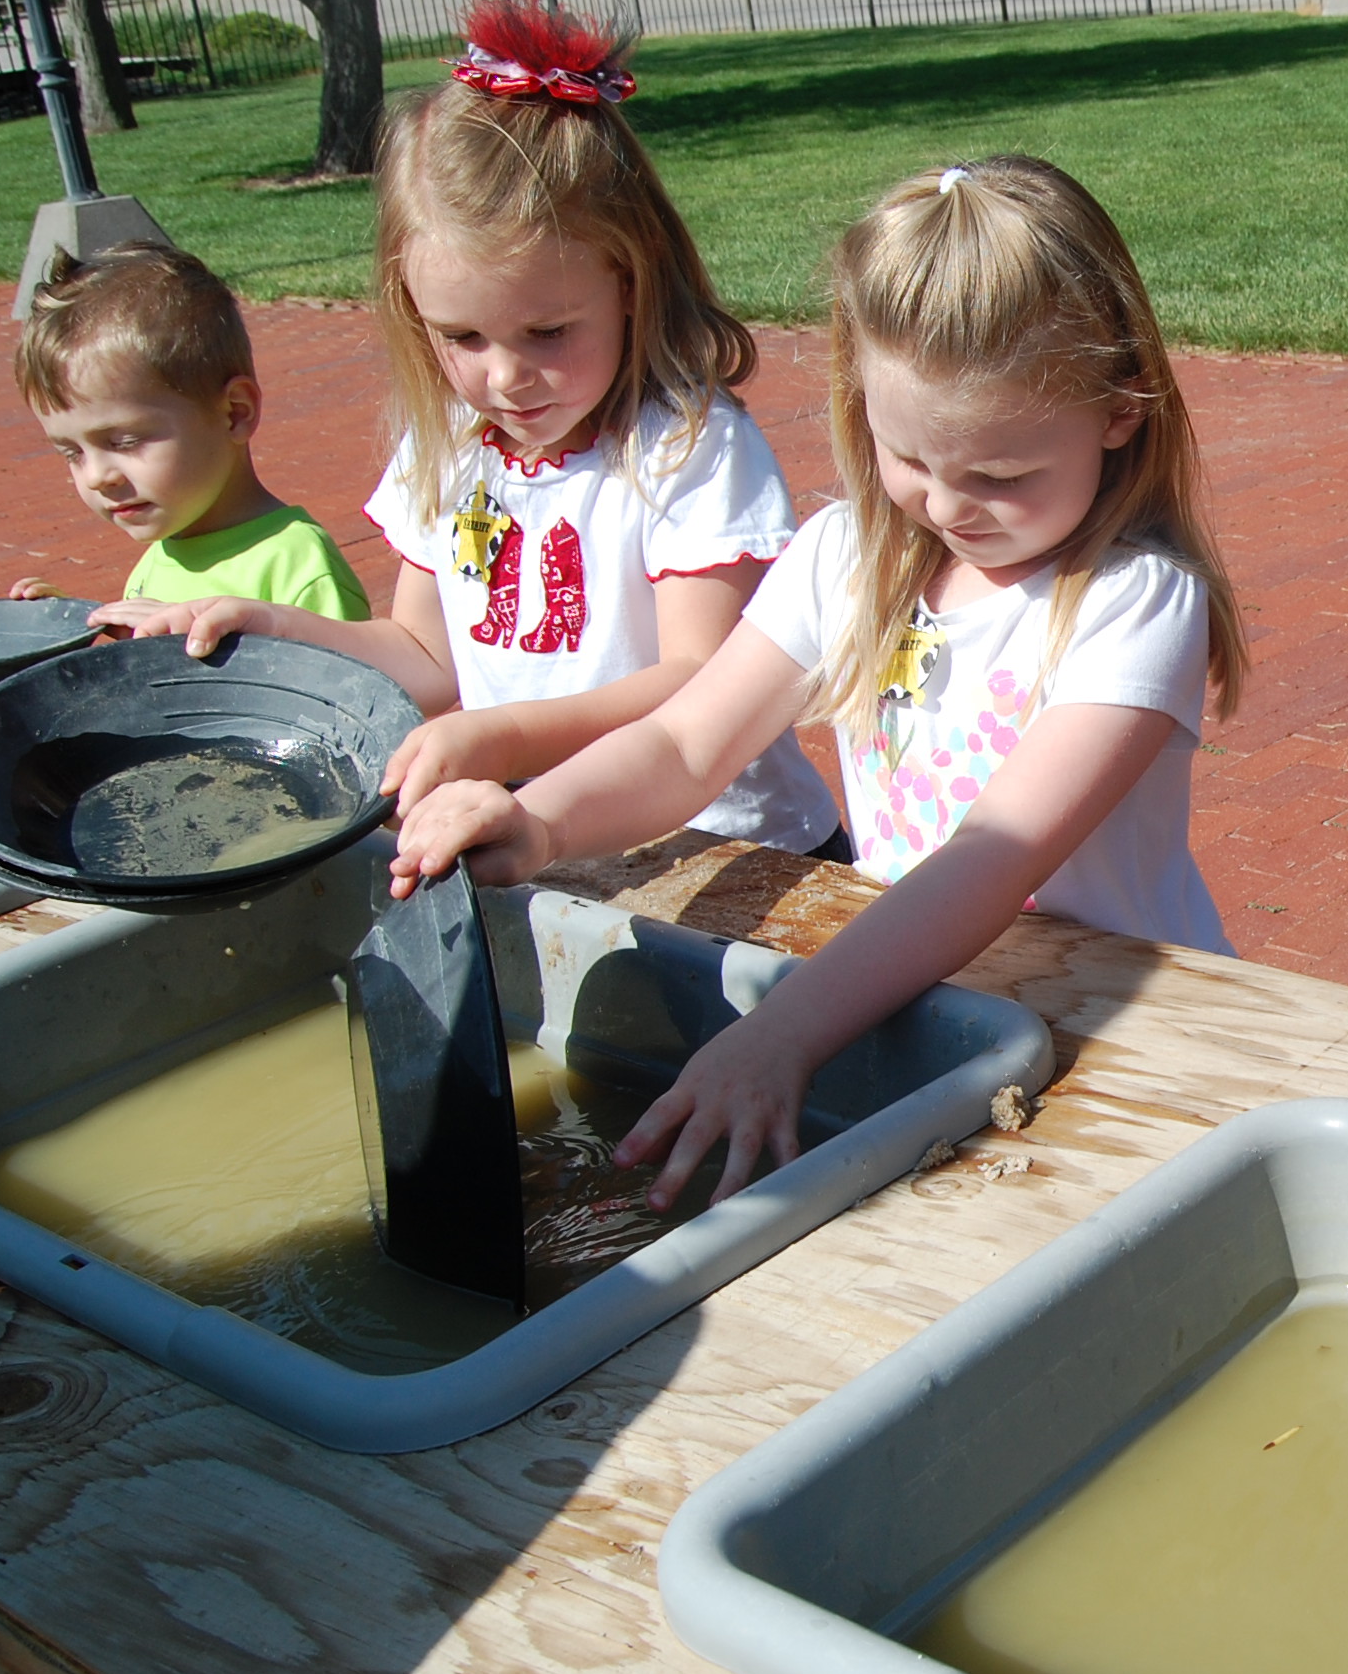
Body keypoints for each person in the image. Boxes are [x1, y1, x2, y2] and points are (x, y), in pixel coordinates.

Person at [396, 155, 1250, 1203]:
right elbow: (685, 742)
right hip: (920, 992)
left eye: (1000, 474)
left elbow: (989, 861)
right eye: (909, 457)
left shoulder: (1134, 603)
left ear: (1121, 408)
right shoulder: (843, 556)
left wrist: (785, 1032)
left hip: (1119, 1027)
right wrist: (534, 821)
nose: (943, 505)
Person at [107, 0, 837, 855]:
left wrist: (499, 738)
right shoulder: (452, 447)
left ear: (631, 284)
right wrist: (262, 626)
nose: (504, 375)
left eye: (549, 331)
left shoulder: (688, 447)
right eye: (460, 337)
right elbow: (422, 655)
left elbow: (698, 681)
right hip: (538, 834)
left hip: (723, 848)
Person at [10, 243, 367, 620]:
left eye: (125, 442)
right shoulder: (159, 559)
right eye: (72, 454)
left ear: (234, 413)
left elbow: (341, 678)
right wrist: (86, 627)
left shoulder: (297, 564)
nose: (97, 476)